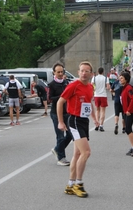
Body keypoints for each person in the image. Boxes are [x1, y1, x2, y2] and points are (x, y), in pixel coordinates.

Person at [57, 61, 99, 198]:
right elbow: (60, 102)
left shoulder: (90, 87)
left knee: (77, 155)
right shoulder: (73, 86)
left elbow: (89, 104)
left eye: (87, 71)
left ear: (91, 74)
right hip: (74, 120)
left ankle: (70, 185)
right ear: (78, 72)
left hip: (84, 121)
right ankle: (78, 184)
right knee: (86, 152)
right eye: (82, 70)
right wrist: (61, 122)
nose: (84, 73)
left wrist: (94, 118)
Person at [49, 63, 72, 166]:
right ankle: (61, 158)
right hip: (56, 113)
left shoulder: (66, 83)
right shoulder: (52, 84)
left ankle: (57, 149)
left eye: (62, 72)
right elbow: (50, 98)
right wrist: (62, 97)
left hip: (67, 112)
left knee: (71, 135)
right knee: (60, 136)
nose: (60, 74)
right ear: (54, 72)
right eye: (58, 72)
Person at [120, 71, 133, 156]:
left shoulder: (128, 88)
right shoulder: (124, 88)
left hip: (130, 112)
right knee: (128, 129)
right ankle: (132, 148)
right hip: (126, 112)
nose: (120, 79)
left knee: (128, 129)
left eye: (121, 78)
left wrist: (128, 110)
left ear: (126, 79)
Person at [91, 67, 110, 132]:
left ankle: (97, 124)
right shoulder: (105, 78)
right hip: (103, 95)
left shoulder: (94, 78)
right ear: (103, 72)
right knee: (103, 111)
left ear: (98, 71)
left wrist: (95, 89)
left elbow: (91, 85)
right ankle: (101, 125)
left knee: (97, 110)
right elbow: (108, 87)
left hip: (97, 95)